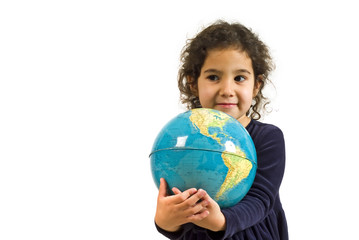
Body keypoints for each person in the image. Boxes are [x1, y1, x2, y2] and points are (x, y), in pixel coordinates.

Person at [154, 20, 288, 240]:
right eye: (213, 77)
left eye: (240, 78)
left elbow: (260, 201)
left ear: (256, 85)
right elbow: (177, 202)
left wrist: (220, 222)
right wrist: (165, 222)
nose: (227, 90)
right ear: (193, 83)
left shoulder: (268, 138)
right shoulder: (182, 137)